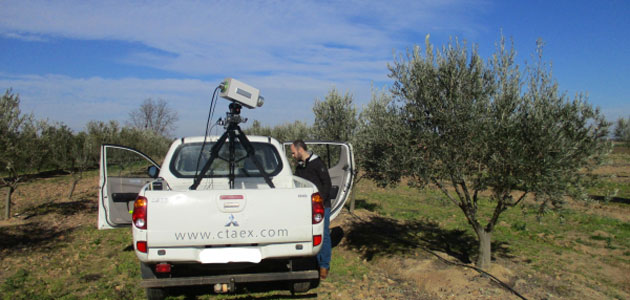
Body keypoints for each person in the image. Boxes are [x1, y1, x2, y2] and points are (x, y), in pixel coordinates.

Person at [290, 140, 332, 280]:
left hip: (321, 206)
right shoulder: (300, 167)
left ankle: (324, 265)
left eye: (293, 152)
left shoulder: (317, 164)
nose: (292, 155)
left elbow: (327, 184)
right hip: (305, 207)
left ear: (300, 150)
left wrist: (319, 202)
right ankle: (311, 261)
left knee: (323, 234)